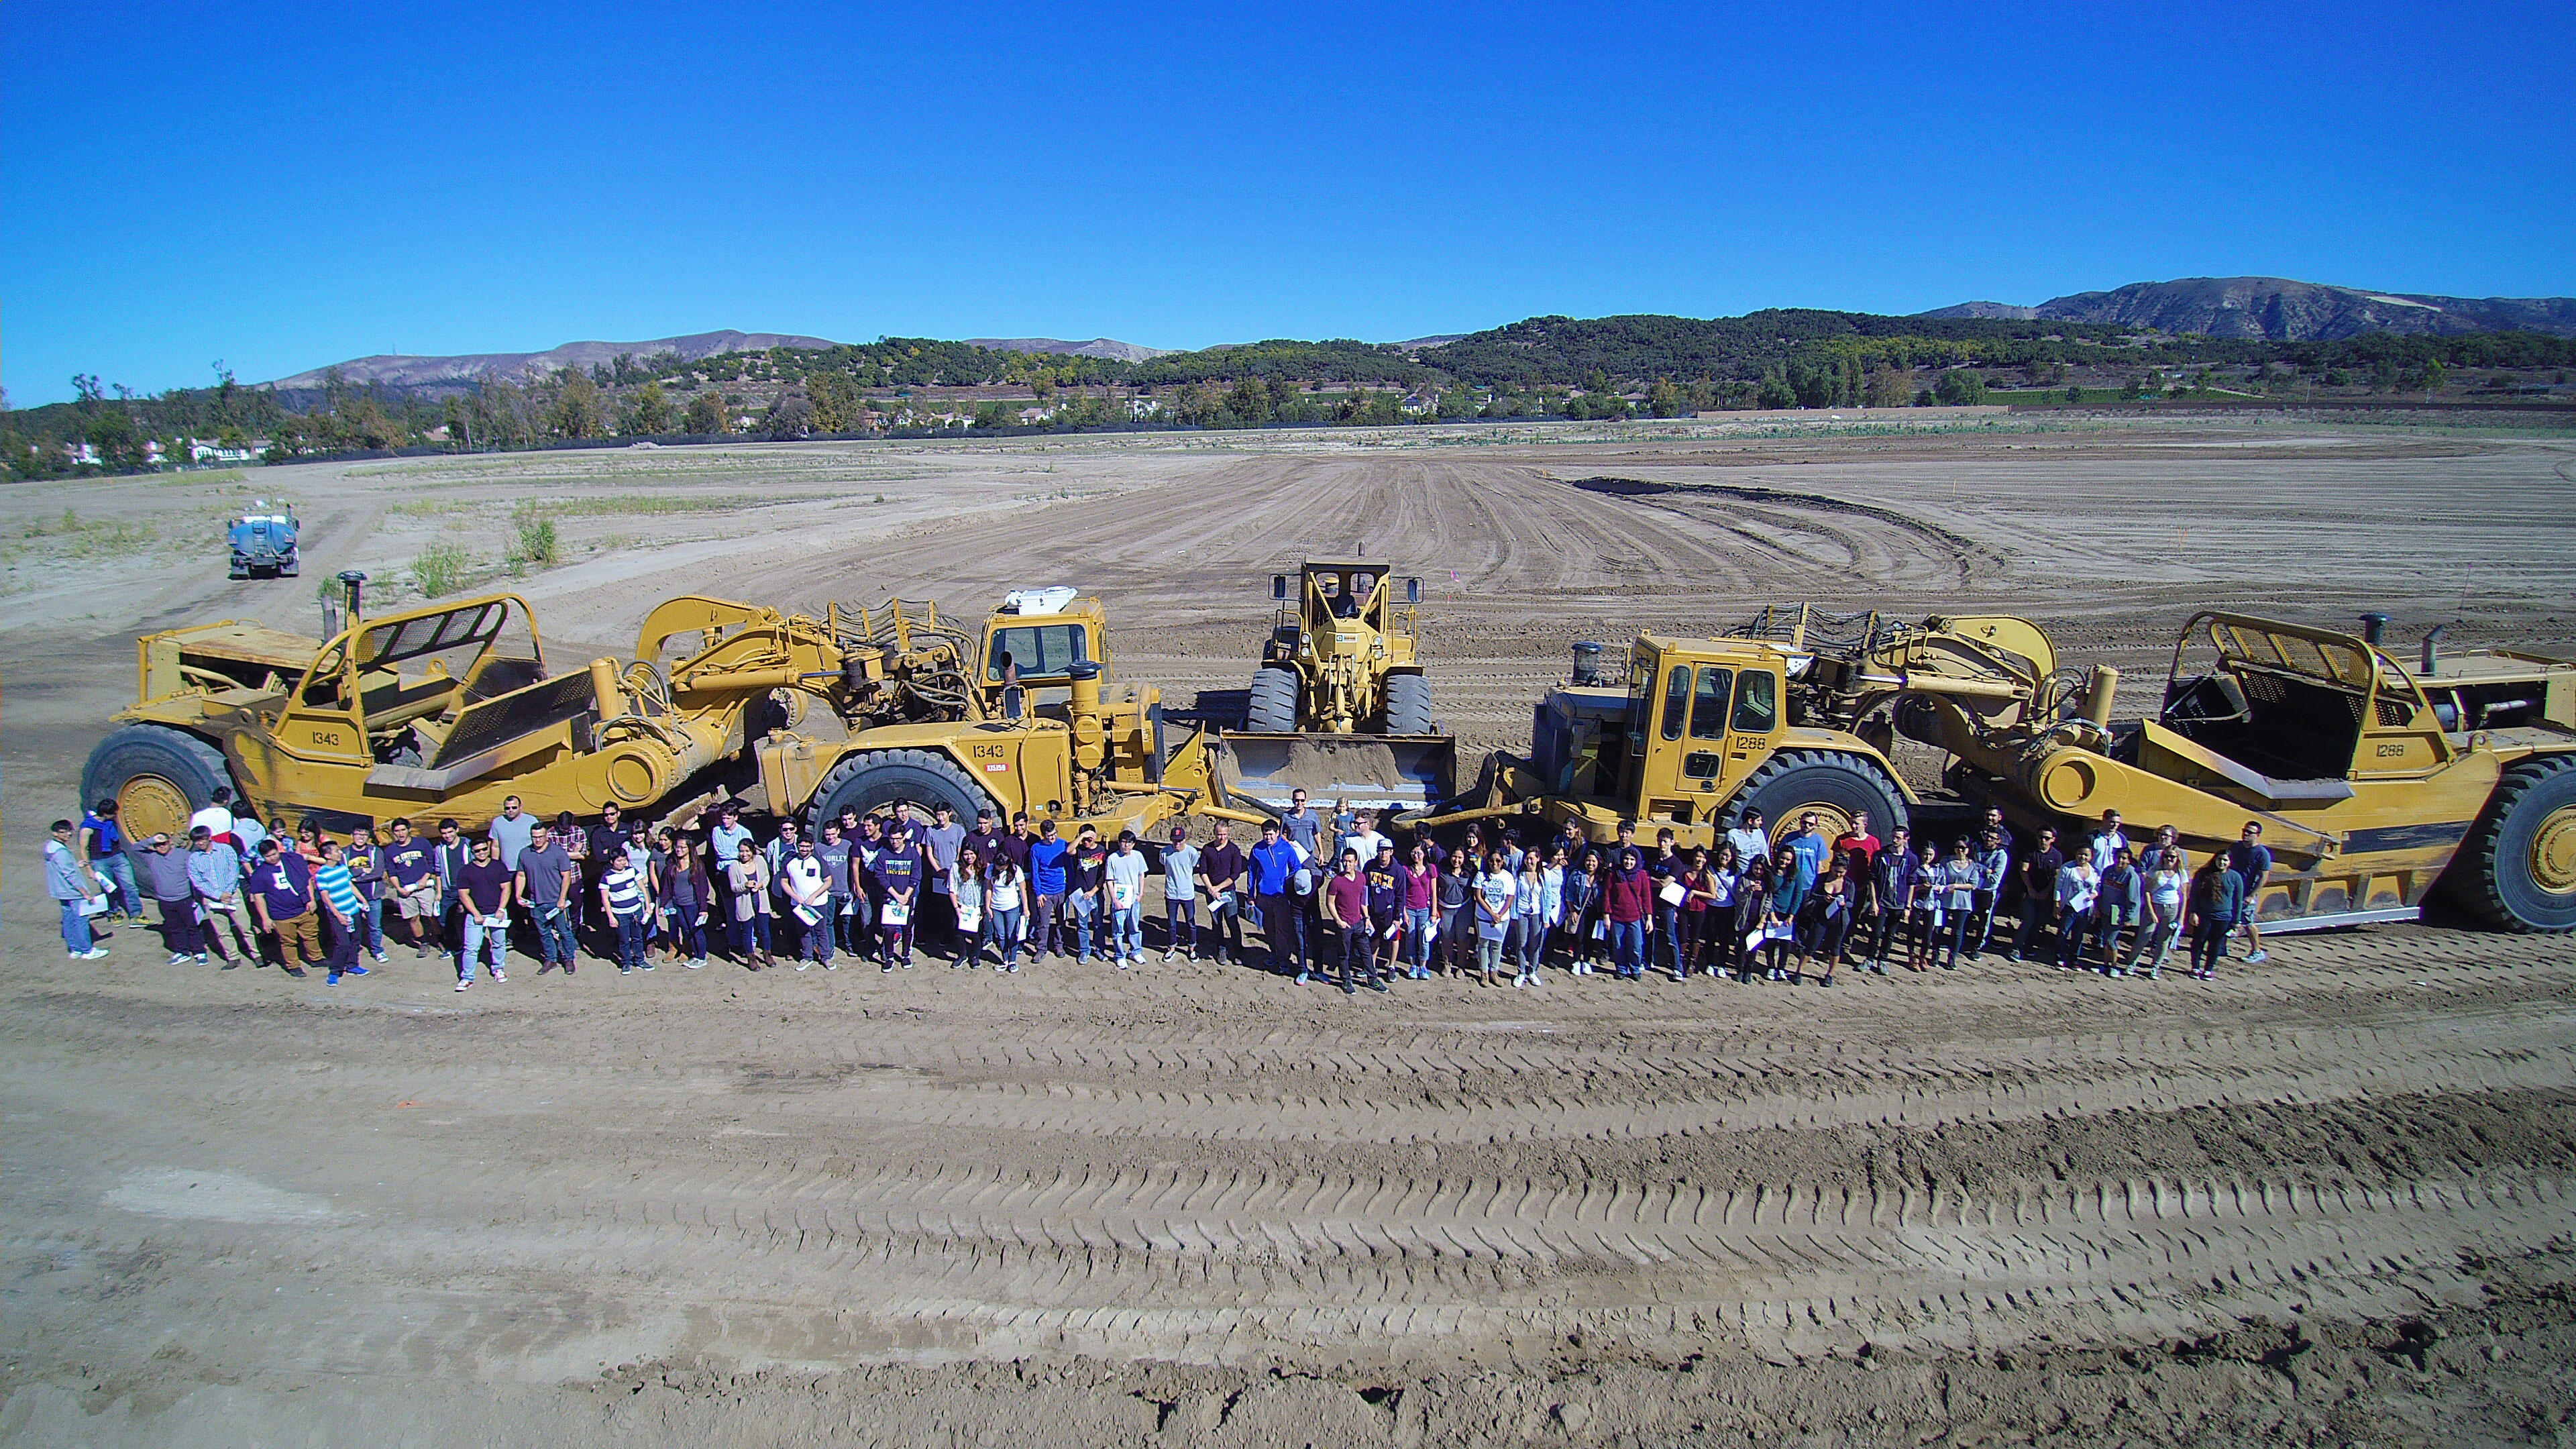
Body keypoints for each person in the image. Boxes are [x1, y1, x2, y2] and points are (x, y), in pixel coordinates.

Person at [248, 836, 323, 975]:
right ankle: (293, 965)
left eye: (274, 854)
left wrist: (311, 900)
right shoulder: (259, 874)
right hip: (281, 914)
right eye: (268, 856)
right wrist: (266, 919)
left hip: (303, 907)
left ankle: (316, 958)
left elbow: (308, 880)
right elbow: (259, 897)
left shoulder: (293, 860)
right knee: (288, 941)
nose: (272, 858)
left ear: (278, 850)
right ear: (263, 857)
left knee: (311, 935)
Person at [517, 821, 580, 975]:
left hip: (555, 901)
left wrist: (562, 899)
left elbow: (566, 877)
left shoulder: (558, 853)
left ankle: (569, 959)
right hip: (536, 901)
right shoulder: (525, 853)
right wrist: (518, 895)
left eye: (540, 837)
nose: (537, 840)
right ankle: (551, 959)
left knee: (564, 932)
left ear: (546, 836)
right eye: (534, 837)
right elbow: (521, 875)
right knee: (544, 932)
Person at [451, 836, 513, 987]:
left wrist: (501, 909)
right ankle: (467, 977)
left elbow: (506, 888)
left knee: (499, 943)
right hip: (475, 915)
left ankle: (498, 968)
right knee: (471, 948)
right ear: (473, 852)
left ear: (488, 848)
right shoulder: (465, 871)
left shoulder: (499, 867)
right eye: (477, 851)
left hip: (497, 912)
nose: (482, 853)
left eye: (484, 849)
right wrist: (475, 913)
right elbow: (463, 894)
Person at [187, 825, 255, 963]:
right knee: (222, 932)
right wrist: (218, 895)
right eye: (197, 841)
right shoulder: (194, 859)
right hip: (212, 899)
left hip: (233, 895)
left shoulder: (226, 850)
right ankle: (233, 957)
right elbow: (198, 881)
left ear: (209, 838)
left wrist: (228, 892)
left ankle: (257, 954)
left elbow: (234, 871)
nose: (200, 843)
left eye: (202, 840)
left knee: (246, 927)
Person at [311, 839, 372, 986]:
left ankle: (352, 965)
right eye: (337, 851)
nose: (340, 853)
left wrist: (363, 900)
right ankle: (335, 971)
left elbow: (350, 885)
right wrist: (339, 915)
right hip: (338, 913)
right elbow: (325, 898)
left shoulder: (343, 868)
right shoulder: (322, 875)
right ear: (328, 855)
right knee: (343, 943)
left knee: (356, 939)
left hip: (353, 909)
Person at [1248, 820, 1304, 978]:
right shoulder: (1257, 849)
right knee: (1269, 928)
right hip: (1263, 897)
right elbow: (1251, 872)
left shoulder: (1286, 849)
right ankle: (1274, 954)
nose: (1268, 837)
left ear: (1277, 833)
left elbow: (1296, 868)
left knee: (1282, 931)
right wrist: (1251, 894)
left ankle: (1284, 961)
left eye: (1271, 834)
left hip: (1281, 897)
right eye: (1265, 834)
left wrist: (1289, 886)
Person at [48, 821, 111, 959]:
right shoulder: (61, 852)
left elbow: (60, 868)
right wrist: (85, 893)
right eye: (64, 831)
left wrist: (77, 865)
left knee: (68, 920)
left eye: (69, 830)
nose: (69, 834)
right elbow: (70, 875)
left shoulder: (51, 847)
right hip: (73, 892)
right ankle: (87, 951)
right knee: (81, 920)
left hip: (61, 891)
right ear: (55, 833)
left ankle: (75, 949)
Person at [1320, 849, 1377, 995]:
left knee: (1366, 952)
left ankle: (1373, 979)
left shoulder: (1362, 878)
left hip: (1359, 922)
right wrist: (1338, 921)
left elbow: (1363, 901)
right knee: (1344, 954)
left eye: (1350, 861)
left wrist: (1367, 919)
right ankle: (1346, 980)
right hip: (1344, 925)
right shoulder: (1336, 882)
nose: (1347, 864)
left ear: (1356, 862)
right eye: (1345, 861)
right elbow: (1330, 903)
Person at [381, 818, 439, 957]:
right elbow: (392, 872)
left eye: (403, 830)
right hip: (406, 890)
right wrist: (399, 889)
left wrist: (425, 879)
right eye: (397, 831)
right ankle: (423, 943)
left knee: (432, 915)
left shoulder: (421, 843)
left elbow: (432, 863)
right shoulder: (390, 850)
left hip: (424, 887)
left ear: (408, 830)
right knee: (413, 918)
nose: (400, 834)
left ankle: (440, 939)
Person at [139, 832, 199, 965]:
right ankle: (183, 952)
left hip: (184, 899)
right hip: (165, 901)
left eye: (164, 843)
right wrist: (152, 839)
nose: (162, 847)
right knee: (175, 928)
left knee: (192, 926)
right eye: (158, 845)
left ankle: (199, 951)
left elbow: (195, 874)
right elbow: (135, 848)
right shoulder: (152, 857)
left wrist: (197, 896)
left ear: (170, 842)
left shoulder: (183, 855)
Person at [2006, 826, 2063, 965]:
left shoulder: (2057, 855)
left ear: (2053, 840)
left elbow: (2056, 876)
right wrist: (2030, 889)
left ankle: (2030, 946)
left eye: (2047, 838)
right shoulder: (2030, 852)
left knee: (2039, 922)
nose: (2043, 840)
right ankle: (2016, 948)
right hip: (2029, 892)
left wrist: (2047, 892)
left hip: (2046, 894)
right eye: (2041, 837)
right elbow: (2023, 870)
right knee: (2028, 920)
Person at [1832, 813, 1882, 967]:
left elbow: (1875, 866)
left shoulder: (1873, 842)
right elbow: (1834, 862)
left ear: (1865, 825)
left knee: (1852, 919)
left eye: (1857, 824)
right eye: (1852, 823)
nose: (1853, 826)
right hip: (1843, 886)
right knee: (1836, 916)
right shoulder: (1842, 840)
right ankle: (1831, 946)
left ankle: (1845, 948)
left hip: (1861, 887)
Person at [657, 826, 710, 969]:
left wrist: (703, 908)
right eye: (677, 847)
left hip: (692, 904)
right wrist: (662, 904)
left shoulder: (696, 866)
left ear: (689, 849)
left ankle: (701, 957)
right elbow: (668, 887)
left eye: (682, 847)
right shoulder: (672, 865)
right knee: (686, 931)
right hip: (678, 904)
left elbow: (703, 888)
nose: (678, 849)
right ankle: (694, 954)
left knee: (696, 930)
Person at [598, 841, 655, 974]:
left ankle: (640, 960)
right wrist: (611, 917)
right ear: (612, 862)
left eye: (624, 860)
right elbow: (605, 899)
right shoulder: (606, 878)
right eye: (619, 861)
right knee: (624, 940)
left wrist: (647, 907)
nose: (623, 863)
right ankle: (626, 962)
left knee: (638, 937)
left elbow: (643, 889)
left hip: (636, 911)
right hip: (620, 914)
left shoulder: (632, 871)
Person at [79, 800, 141, 921]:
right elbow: (83, 849)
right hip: (100, 861)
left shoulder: (110, 822)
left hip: (118, 857)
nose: (116, 816)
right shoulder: (88, 828)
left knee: (130, 886)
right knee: (109, 889)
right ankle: (113, 912)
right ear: (106, 814)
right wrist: (89, 870)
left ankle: (137, 913)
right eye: (114, 814)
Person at [2133, 845, 2188, 977]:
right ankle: (2132, 963)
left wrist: (2181, 918)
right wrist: (2151, 911)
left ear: (2178, 858)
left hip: (2171, 908)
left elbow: (2184, 896)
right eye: (2166, 856)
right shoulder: (2155, 871)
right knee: (2144, 937)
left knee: (2164, 940)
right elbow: (2147, 891)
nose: (2169, 859)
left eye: (2172, 857)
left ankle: (2155, 966)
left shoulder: (2181, 874)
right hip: (2155, 905)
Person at [1794, 857, 1851, 986]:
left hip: (1839, 919)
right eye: (1836, 871)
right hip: (1822, 917)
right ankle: (1799, 971)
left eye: (1841, 872)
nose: (1838, 874)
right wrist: (1823, 898)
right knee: (1811, 945)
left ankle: (1830, 974)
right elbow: (1813, 894)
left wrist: (1844, 904)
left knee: (1835, 949)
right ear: (1831, 867)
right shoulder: (1821, 878)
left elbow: (1852, 903)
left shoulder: (1848, 884)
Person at [1868, 826, 1917, 973]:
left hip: (1899, 902)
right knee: (1876, 932)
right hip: (1882, 900)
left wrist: (1908, 907)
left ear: (1905, 839)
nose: (1895, 840)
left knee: (1890, 934)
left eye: (1898, 838)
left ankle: (1883, 960)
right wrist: (1874, 902)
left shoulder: (1911, 858)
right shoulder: (1881, 855)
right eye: (1894, 837)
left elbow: (1912, 883)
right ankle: (1870, 958)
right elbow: (1872, 879)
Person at [2186, 851, 2243, 979]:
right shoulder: (2203, 874)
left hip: (2224, 917)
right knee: (2199, 941)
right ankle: (2195, 967)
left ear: (2230, 862)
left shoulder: (2235, 877)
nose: (2222, 863)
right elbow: (2194, 895)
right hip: (2205, 914)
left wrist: (2237, 920)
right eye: (2220, 859)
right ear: (2215, 859)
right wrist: (2193, 912)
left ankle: (2208, 970)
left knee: (2216, 944)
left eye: (2225, 860)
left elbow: (2238, 900)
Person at [875, 824, 926, 968]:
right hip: (890, 897)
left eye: (898, 839)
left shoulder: (912, 854)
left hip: (907, 897)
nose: (895, 842)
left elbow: (916, 876)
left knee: (907, 928)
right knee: (889, 929)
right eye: (892, 839)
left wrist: (905, 897)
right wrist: (896, 895)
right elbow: (881, 876)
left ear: (904, 838)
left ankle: (905, 955)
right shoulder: (883, 854)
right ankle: (889, 957)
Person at [1197, 820, 1246, 966]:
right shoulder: (1207, 849)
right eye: (1219, 834)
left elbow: (1235, 873)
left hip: (1228, 892)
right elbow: (1203, 871)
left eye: (1225, 835)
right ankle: (1221, 949)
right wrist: (1211, 889)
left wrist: (1218, 888)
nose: (1222, 838)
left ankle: (1238, 951)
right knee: (1217, 922)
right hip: (1212, 894)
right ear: (1214, 834)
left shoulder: (1234, 850)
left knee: (1232, 921)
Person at [2089, 845, 2144, 975]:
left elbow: (2134, 899)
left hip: (2119, 914)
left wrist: (2130, 917)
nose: (2120, 860)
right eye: (2118, 857)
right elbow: (2101, 890)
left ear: (2129, 860)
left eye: (2124, 858)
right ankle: (2106, 964)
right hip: (2105, 910)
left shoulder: (2132, 876)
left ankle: (2114, 966)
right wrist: (2097, 907)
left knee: (2110, 940)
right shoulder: (2108, 871)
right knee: (2106, 940)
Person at [782, 835, 833, 971]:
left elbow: (828, 881)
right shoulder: (790, 861)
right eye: (801, 846)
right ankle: (807, 957)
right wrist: (796, 897)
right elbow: (784, 882)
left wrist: (814, 896)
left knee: (821, 930)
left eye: (807, 846)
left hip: (819, 903)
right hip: (799, 904)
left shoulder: (818, 861)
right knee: (803, 931)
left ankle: (826, 956)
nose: (804, 849)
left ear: (812, 846)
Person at [1603, 847, 1654, 980]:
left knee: (1636, 946)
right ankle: (1621, 969)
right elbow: (1607, 895)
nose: (1628, 862)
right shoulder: (1614, 874)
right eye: (1626, 859)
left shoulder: (1641, 875)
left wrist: (1649, 918)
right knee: (1619, 946)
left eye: (1632, 860)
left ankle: (1635, 969)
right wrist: (1606, 915)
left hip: (1635, 917)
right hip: (1617, 916)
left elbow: (1646, 897)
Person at [2226, 822, 2273, 965]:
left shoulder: (2262, 854)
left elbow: (2264, 877)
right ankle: (2221, 947)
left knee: (2248, 922)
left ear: (2257, 835)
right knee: (2226, 916)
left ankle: (2257, 951)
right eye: (2245, 831)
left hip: (2248, 892)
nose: (2246, 834)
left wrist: (2252, 895)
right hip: (2232, 890)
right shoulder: (2236, 847)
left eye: (2250, 832)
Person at [1757, 846, 1806, 982]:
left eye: (1788, 859)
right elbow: (1768, 893)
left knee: (1785, 943)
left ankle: (1782, 968)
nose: (1784, 861)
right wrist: (1771, 914)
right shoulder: (1771, 872)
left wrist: (1792, 915)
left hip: (1788, 913)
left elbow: (1798, 895)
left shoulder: (1797, 873)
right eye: (1783, 858)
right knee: (1771, 942)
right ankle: (1771, 967)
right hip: (1773, 911)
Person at [922, 803, 967, 953]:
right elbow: (929, 853)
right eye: (938, 815)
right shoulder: (931, 831)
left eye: (943, 814)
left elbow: (960, 852)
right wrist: (939, 870)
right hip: (939, 876)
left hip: (955, 874)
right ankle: (947, 935)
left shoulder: (959, 830)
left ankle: (959, 935)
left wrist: (954, 870)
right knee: (943, 908)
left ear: (950, 813)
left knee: (957, 905)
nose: (940, 818)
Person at [724, 839, 773, 969]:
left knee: (765, 930)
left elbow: (766, 877)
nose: (744, 854)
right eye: (741, 851)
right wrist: (744, 885)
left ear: (752, 851)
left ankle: (768, 954)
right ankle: (751, 958)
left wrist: (762, 885)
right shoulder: (734, 866)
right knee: (747, 932)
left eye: (747, 851)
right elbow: (733, 887)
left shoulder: (760, 861)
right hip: (745, 904)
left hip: (761, 901)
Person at [1933, 837, 1981, 971]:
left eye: (1963, 848)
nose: (1960, 850)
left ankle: (1952, 958)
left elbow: (1974, 885)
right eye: (1958, 847)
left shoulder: (1972, 865)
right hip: (1943, 902)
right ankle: (1935, 955)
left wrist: (1956, 886)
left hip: (1963, 903)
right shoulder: (1946, 861)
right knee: (1938, 929)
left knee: (1957, 932)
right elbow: (1940, 877)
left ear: (1968, 850)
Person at [343, 825, 388, 963]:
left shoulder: (376, 851)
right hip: (351, 897)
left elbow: (378, 872)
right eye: (358, 834)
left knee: (375, 926)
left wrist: (357, 877)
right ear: (352, 835)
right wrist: (362, 871)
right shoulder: (344, 853)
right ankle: (352, 951)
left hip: (373, 896)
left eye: (364, 834)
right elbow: (343, 874)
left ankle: (377, 950)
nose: (361, 837)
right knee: (352, 926)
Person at [1028, 819, 1071, 961]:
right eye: (1049, 835)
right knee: (1043, 923)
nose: (1052, 838)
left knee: (1061, 920)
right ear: (1043, 835)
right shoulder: (1036, 849)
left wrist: (1069, 889)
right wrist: (1038, 893)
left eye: (1054, 834)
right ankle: (1041, 949)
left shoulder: (1063, 845)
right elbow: (1035, 872)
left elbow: (1069, 868)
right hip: (1045, 893)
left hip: (1061, 890)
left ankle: (1059, 945)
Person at [1104, 830, 1149, 967]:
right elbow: (1109, 881)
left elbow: (1141, 875)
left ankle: (1136, 951)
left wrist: (1140, 893)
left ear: (1133, 844)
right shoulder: (1113, 858)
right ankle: (1119, 955)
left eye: (1129, 843)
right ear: (1119, 843)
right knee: (1118, 929)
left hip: (1134, 899)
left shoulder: (1138, 856)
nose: (1126, 846)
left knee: (1135, 927)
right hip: (1119, 900)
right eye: (1123, 842)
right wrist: (1115, 900)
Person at [1063, 824, 1107, 963]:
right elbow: (1069, 850)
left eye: (1089, 839)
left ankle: (1099, 950)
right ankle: (1084, 951)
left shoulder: (1102, 851)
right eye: (1084, 840)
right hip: (1080, 895)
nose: (1086, 843)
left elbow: (1104, 874)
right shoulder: (1079, 850)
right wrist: (1081, 836)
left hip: (1096, 893)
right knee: (1082, 925)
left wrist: (1094, 890)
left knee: (1098, 924)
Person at [2051, 849, 2102, 970]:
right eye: (2080, 854)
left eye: (2086, 855)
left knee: (2079, 935)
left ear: (2091, 857)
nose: (2083, 857)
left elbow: (2098, 886)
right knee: (2064, 931)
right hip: (2069, 907)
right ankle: (2059, 957)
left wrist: (2094, 895)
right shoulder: (2067, 868)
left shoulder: (2095, 871)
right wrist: (2057, 904)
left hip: (2084, 908)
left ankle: (2074, 959)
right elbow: (2058, 887)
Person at [1400, 842, 1442, 980]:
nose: (1416, 855)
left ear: (1424, 854)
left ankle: (1423, 965)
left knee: (1424, 938)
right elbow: (1402, 892)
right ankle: (1413, 965)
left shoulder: (1431, 869)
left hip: (1425, 909)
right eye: (1414, 852)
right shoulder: (1405, 869)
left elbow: (1434, 892)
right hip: (1410, 909)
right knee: (1410, 937)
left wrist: (1434, 913)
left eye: (1419, 853)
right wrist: (1404, 912)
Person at [1472, 850, 1514, 987]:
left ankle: (1494, 971)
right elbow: (1478, 896)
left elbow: (1510, 898)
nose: (1495, 864)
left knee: (1497, 945)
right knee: (1483, 944)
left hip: (1502, 917)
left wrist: (1500, 915)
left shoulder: (1508, 877)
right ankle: (1484, 972)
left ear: (1502, 862)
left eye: (1498, 861)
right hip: (1484, 916)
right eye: (1492, 860)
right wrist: (1491, 914)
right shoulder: (1481, 875)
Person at [983, 847, 1028, 972]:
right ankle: (1005, 960)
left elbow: (1023, 890)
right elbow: (988, 888)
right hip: (996, 907)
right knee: (1001, 935)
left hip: (1012, 907)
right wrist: (988, 906)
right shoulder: (991, 869)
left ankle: (1013, 960)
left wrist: (1026, 908)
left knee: (1011, 934)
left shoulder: (1016, 870)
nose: (1000, 870)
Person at [1969, 827, 2011, 959]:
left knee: (1983, 922)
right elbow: (1970, 865)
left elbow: (1994, 879)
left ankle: (1977, 946)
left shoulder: (2001, 855)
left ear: (1998, 841)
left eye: (1992, 838)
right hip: (1972, 888)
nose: (1988, 840)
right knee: (1966, 917)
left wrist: (1979, 867)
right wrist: (1987, 870)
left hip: (1987, 892)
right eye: (1987, 836)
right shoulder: (1977, 848)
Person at [1507, 849, 1548, 988]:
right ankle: (1521, 972)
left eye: (1532, 859)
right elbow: (1514, 896)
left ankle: (1533, 971)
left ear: (1538, 859)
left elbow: (1546, 898)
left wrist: (1546, 918)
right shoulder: (1519, 875)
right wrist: (1514, 916)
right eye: (1527, 859)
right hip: (1522, 912)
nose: (1529, 862)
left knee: (1535, 943)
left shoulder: (1543, 875)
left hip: (1537, 913)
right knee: (1522, 942)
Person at [1159, 826, 1200, 962]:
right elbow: (1163, 864)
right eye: (1175, 841)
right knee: (1171, 923)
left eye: (1180, 841)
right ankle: (1171, 948)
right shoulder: (1165, 853)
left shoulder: (1192, 853)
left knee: (1191, 922)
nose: (1177, 844)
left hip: (1187, 893)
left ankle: (1192, 948)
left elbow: (1194, 866)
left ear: (1185, 839)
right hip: (1171, 894)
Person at [951, 845, 989, 968]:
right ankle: (962, 955)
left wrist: (985, 907)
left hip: (977, 905)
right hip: (962, 905)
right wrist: (957, 908)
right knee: (959, 932)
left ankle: (975, 957)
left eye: (972, 854)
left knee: (976, 934)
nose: (969, 857)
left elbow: (987, 887)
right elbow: (952, 889)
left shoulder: (983, 867)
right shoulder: (956, 867)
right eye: (966, 854)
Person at [488, 796, 535, 875]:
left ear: (521, 807)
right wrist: (494, 866)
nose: (511, 810)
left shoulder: (531, 821)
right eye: (507, 808)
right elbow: (495, 846)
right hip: (507, 869)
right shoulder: (498, 822)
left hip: (528, 868)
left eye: (514, 807)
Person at [1784, 812, 1829, 892]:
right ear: (1800, 822)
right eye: (1804, 822)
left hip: (1809, 885)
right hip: (1790, 882)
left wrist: (1817, 883)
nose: (1807, 826)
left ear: (1815, 825)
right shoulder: (1789, 838)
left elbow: (1819, 864)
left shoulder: (1818, 841)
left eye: (1811, 824)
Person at [190, 786, 240, 855]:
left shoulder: (197, 816)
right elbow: (237, 832)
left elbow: (194, 835)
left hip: (206, 851)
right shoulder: (229, 815)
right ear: (226, 801)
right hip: (226, 851)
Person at [1724, 810, 1769, 883]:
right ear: (1750, 821)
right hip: (1743, 876)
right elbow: (1728, 855)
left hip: (1758, 875)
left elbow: (1764, 852)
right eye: (1758, 820)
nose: (1761, 823)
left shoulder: (1759, 832)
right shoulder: (1732, 835)